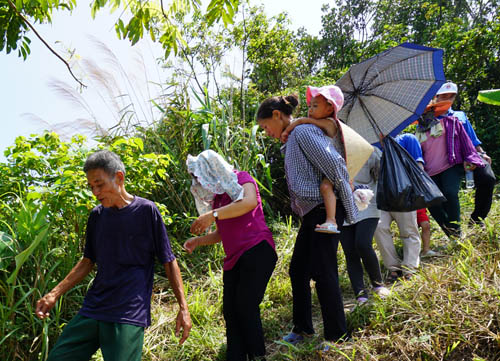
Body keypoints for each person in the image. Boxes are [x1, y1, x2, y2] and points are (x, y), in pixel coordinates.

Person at [35, 150, 192, 361]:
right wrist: (54, 294)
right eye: (91, 187)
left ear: (119, 178)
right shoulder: (97, 216)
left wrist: (183, 308)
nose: (95, 192)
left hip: (127, 312)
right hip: (94, 307)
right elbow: (87, 261)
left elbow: (168, 260)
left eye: (99, 185)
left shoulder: (147, 211)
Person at [257, 94, 362, 349]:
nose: (266, 132)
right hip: (310, 213)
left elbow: (335, 163)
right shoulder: (292, 138)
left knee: (324, 271)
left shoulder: (302, 132)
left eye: (265, 127)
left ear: (277, 116)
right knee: (298, 270)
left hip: (323, 209)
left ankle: (337, 336)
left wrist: (344, 200)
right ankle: (302, 328)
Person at [183, 150, 277, 361]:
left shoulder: (242, 178)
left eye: (200, 175)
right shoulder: (218, 200)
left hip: (257, 249)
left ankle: (257, 355)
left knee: (245, 306)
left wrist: (213, 215)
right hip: (234, 259)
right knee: (231, 312)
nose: (199, 181)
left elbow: (248, 202)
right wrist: (198, 241)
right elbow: (222, 232)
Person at [280, 85, 347, 234]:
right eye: (310, 106)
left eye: (315, 106)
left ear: (330, 109)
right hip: (328, 167)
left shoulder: (331, 123)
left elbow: (302, 122)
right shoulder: (318, 126)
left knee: (325, 187)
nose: (310, 110)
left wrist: (292, 126)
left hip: (335, 168)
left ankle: (331, 220)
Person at [416, 99, 485, 238]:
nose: (426, 113)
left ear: (434, 109)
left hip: (450, 165)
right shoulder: (417, 133)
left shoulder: (450, 122)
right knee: (433, 202)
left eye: (428, 109)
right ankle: (452, 234)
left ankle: (456, 231)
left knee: (450, 193)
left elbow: (466, 142)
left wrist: (472, 158)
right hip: (430, 172)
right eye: (422, 111)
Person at [434, 81, 496, 225]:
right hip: (449, 162)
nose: (447, 100)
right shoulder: (429, 118)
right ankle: (451, 226)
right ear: (436, 97)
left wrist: (482, 153)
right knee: (448, 193)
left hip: (469, 156)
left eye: (451, 97)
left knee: (488, 178)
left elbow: (472, 138)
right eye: (444, 96)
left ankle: (477, 219)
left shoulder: (460, 115)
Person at [339, 147, 391, 303]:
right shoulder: (330, 151)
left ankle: (378, 284)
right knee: (350, 251)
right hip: (343, 205)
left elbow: (383, 173)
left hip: (368, 203)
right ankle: (360, 294)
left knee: (362, 243)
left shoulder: (368, 149)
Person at [374, 134, 425, 282]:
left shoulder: (408, 139)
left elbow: (418, 166)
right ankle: (393, 268)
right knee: (379, 228)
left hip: (404, 192)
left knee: (409, 230)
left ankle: (409, 268)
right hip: (380, 194)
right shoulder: (371, 144)